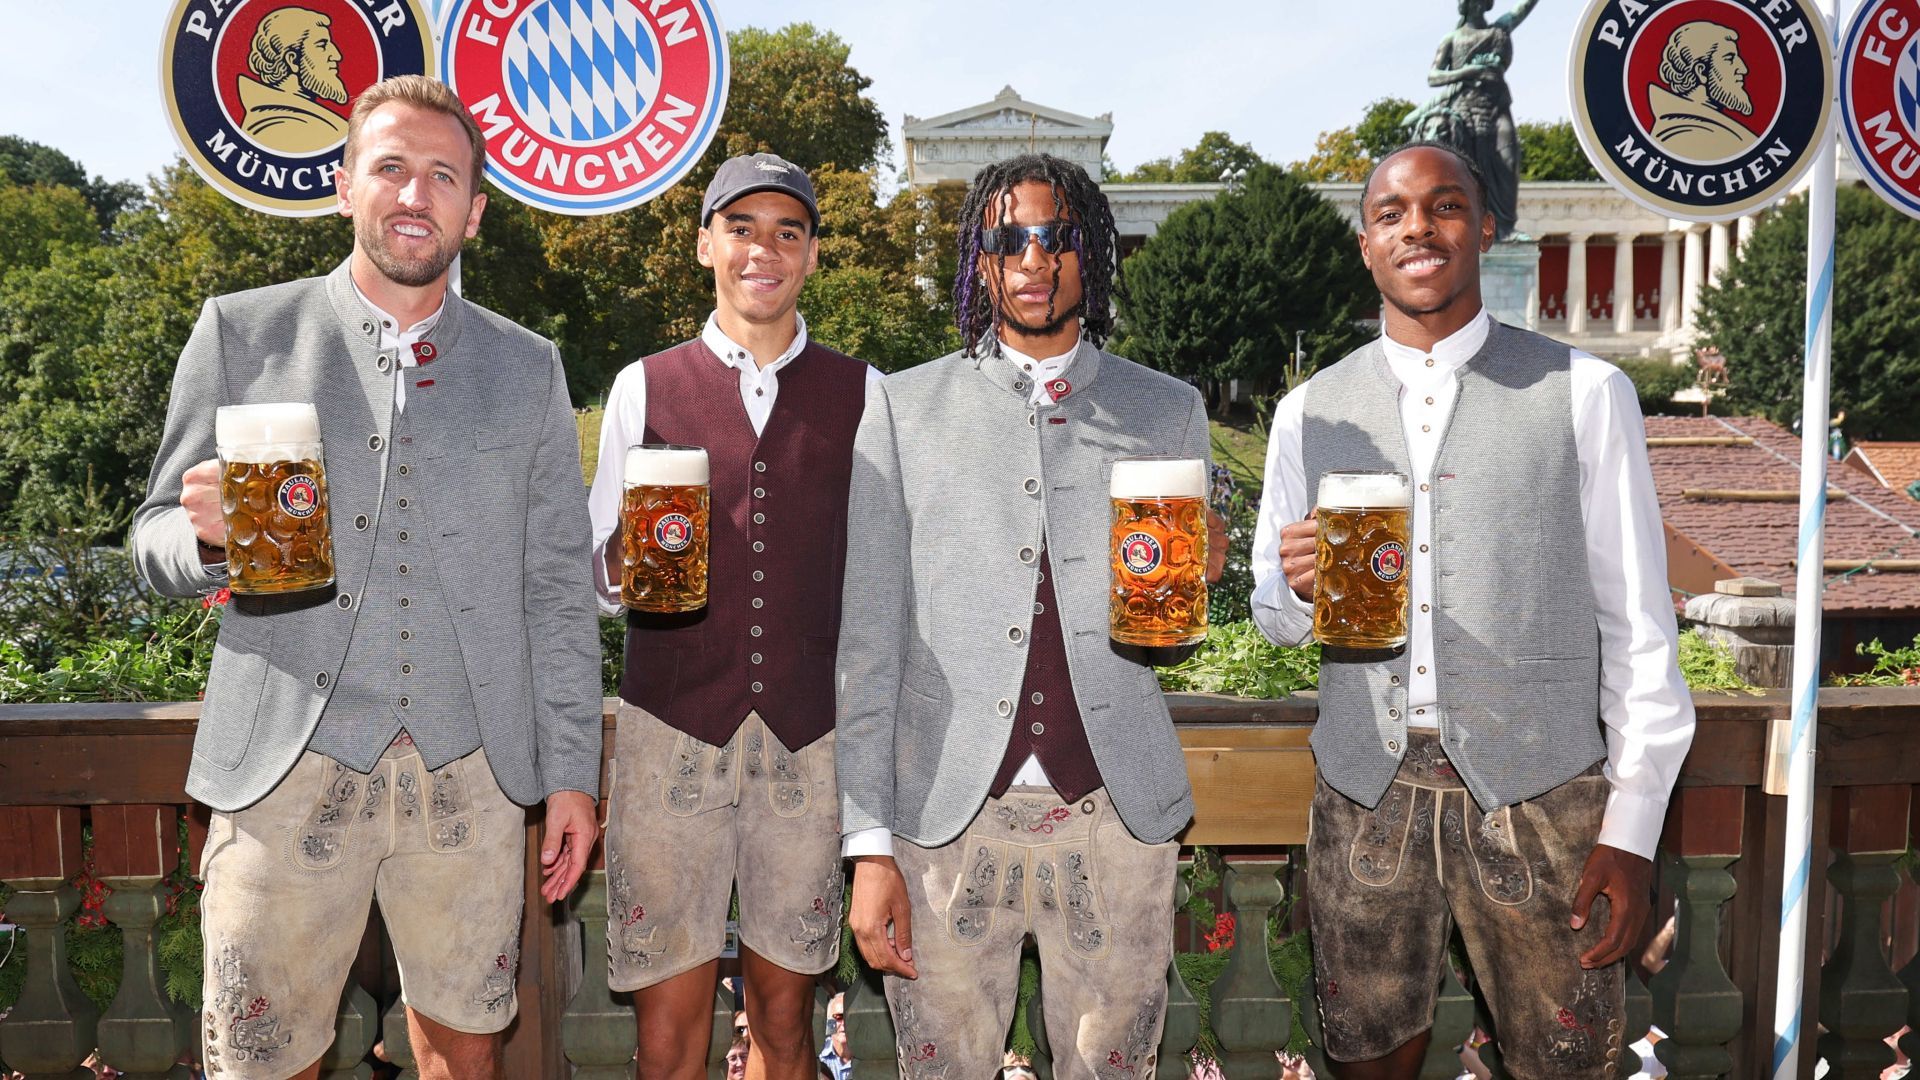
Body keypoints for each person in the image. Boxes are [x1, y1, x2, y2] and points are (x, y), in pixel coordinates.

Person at [130, 74, 601, 1080]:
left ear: (473, 210)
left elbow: (559, 591)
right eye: (390, 167)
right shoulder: (241, 333)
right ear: (344, 185)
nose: (414, 194)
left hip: (470, 773)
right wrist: (207, 543)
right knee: (262, 1063)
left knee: (464, 1061)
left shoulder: (529, 369)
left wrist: (571, 773)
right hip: (281, 769)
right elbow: (149, 542)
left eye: (443, 176)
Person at [1249, 142, 1695, 1078]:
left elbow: (1640, 628)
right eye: (1391, 214)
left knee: (1570, 1066)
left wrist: (1632, 826)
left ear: (1486, 226)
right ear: (1365, 246)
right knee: (1367, 1060)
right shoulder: (1307, 410)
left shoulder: (1586, 391)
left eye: (1444, 205)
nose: (1418, 227)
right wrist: (1293, 588)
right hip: (1364, 794)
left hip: (1544, 795)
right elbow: (1276, 619)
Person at [837, 153, 1224, 1079]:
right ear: (981, 259)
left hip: (1117, 814)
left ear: (1092, 256)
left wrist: (1198, 585)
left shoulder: (1169, 409)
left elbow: (1166, 630)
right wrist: (867, 846)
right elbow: (866, 647)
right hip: (943, 821)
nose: (1035, 260)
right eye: (1012, 239)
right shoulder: (900, 406)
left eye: (1060, 239)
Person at [587, 152, 878, 1080]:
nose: (765, 249)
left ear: (813, 255)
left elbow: (878, 579)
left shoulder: (866, 393)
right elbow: (595, 579)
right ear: (706, 243)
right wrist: (625, 559)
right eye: (742, 228)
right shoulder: (644, 384)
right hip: (670, 731)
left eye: (788, 232)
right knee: (667, 1041)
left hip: (806, 736)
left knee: (786, 1027)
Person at [1406, 0, 1538, 239]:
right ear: (1465, 6)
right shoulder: (1452, 38)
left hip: (1497, 105)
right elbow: (1433, 76)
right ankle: (1464, 227)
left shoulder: (1499, 29)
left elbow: (1523, 7)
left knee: (1509, 162)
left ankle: (1504, 229)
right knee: (1465, 170)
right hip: (1463, 109)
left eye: (1481, 2)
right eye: (1472, 2)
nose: (1477, 6)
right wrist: (1467, 72)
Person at [1650, 22, 1757, 161]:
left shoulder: (1711, 128)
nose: (1743, 69)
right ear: (1701, 72)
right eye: (1730, 59)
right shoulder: (1685, 135)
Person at [817, 992, 852, 1080]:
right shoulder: (818, 1056)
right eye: (838, 1017)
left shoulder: (868, 1057)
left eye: (848, 1017)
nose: (844, 1023)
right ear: (829, 1021)